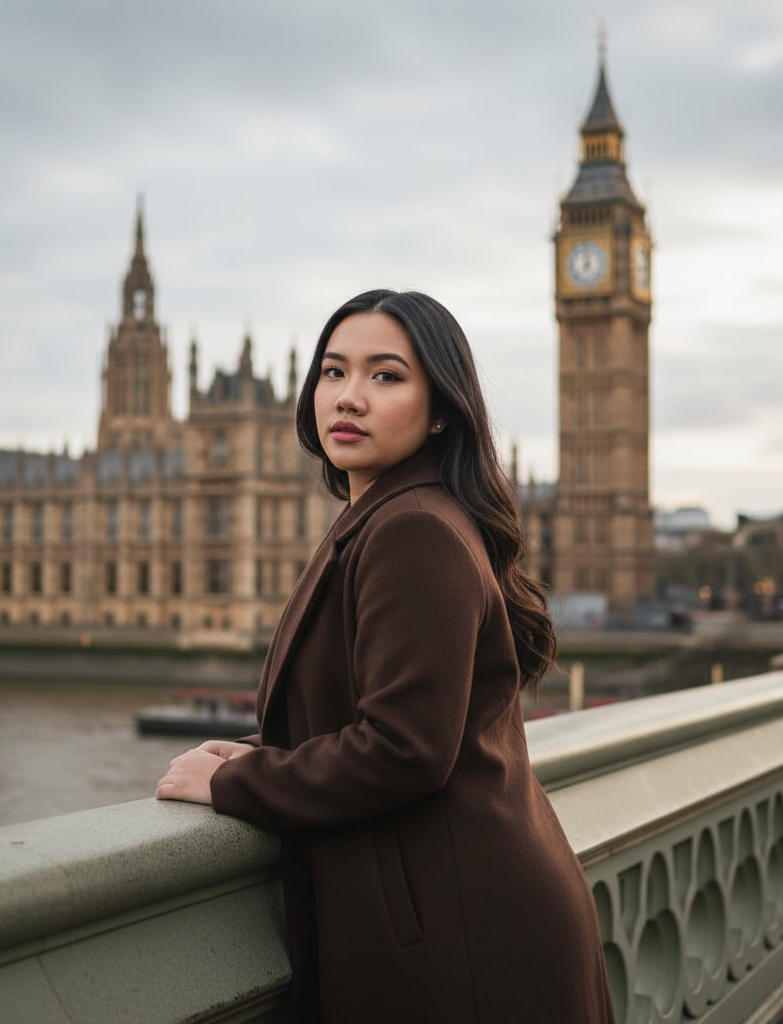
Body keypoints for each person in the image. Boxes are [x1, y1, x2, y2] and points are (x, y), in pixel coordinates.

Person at [157, 289, 616, 1023]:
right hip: (457, 910)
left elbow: (405, 748)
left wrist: (234, 788)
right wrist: (257, 752)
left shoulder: (415, 530)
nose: (350, 397)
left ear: (441, 408)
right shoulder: (386, 517)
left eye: (386, 376)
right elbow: (371, 709)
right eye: (333, 372)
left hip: (462, 938)